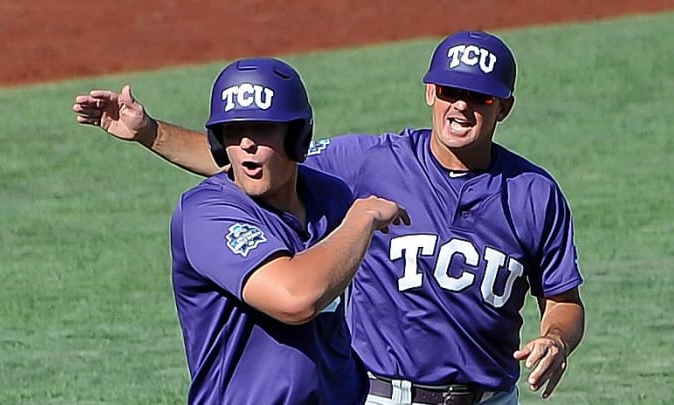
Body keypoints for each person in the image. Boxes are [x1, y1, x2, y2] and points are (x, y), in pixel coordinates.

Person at [73, 31, 585, 405]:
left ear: (505, 107)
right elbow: (259, 161)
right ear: (430, 92)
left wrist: (555, 339)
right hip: (387, 397)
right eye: (450, 92)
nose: (461, 107)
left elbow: (562, 299)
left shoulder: (534, 194)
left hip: (491, 398)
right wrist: (150, 132)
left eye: (481, 97)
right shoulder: (371, 163)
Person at [77, 57, 409, 404]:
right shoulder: (206, 214)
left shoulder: (331, 195)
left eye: (263, 129)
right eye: (233, 131)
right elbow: (296, 299)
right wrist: (362, 219)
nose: (247, 144)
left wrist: (150, 131)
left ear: (298, 137)